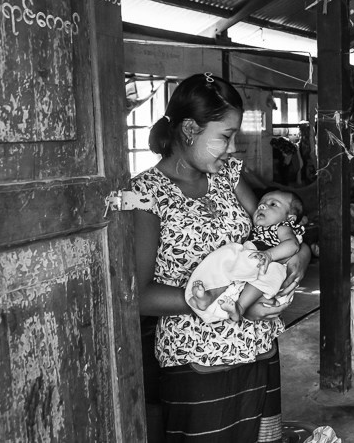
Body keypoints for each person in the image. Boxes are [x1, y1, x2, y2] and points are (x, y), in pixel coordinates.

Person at [131, 73, 311, 442]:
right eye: (225, 137)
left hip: (256, 345)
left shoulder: (228, 177)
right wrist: (230, 301)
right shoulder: (145, 194)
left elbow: (276, 230)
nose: (232, 149)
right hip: (197, 359)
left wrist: (302, 254)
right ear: (189, 129)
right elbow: (139, 296)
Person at [186, 189, 305, 323]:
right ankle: (210, 296)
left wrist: (269, 255)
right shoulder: (259, 229)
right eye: (261, 203)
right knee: (228, 261)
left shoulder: (282, 227)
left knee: (270, 274)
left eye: (273, 204)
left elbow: (293, 245)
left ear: (290, 218)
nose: (262, 206)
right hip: (252, 260)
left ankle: (240, 307)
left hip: (270, 264)